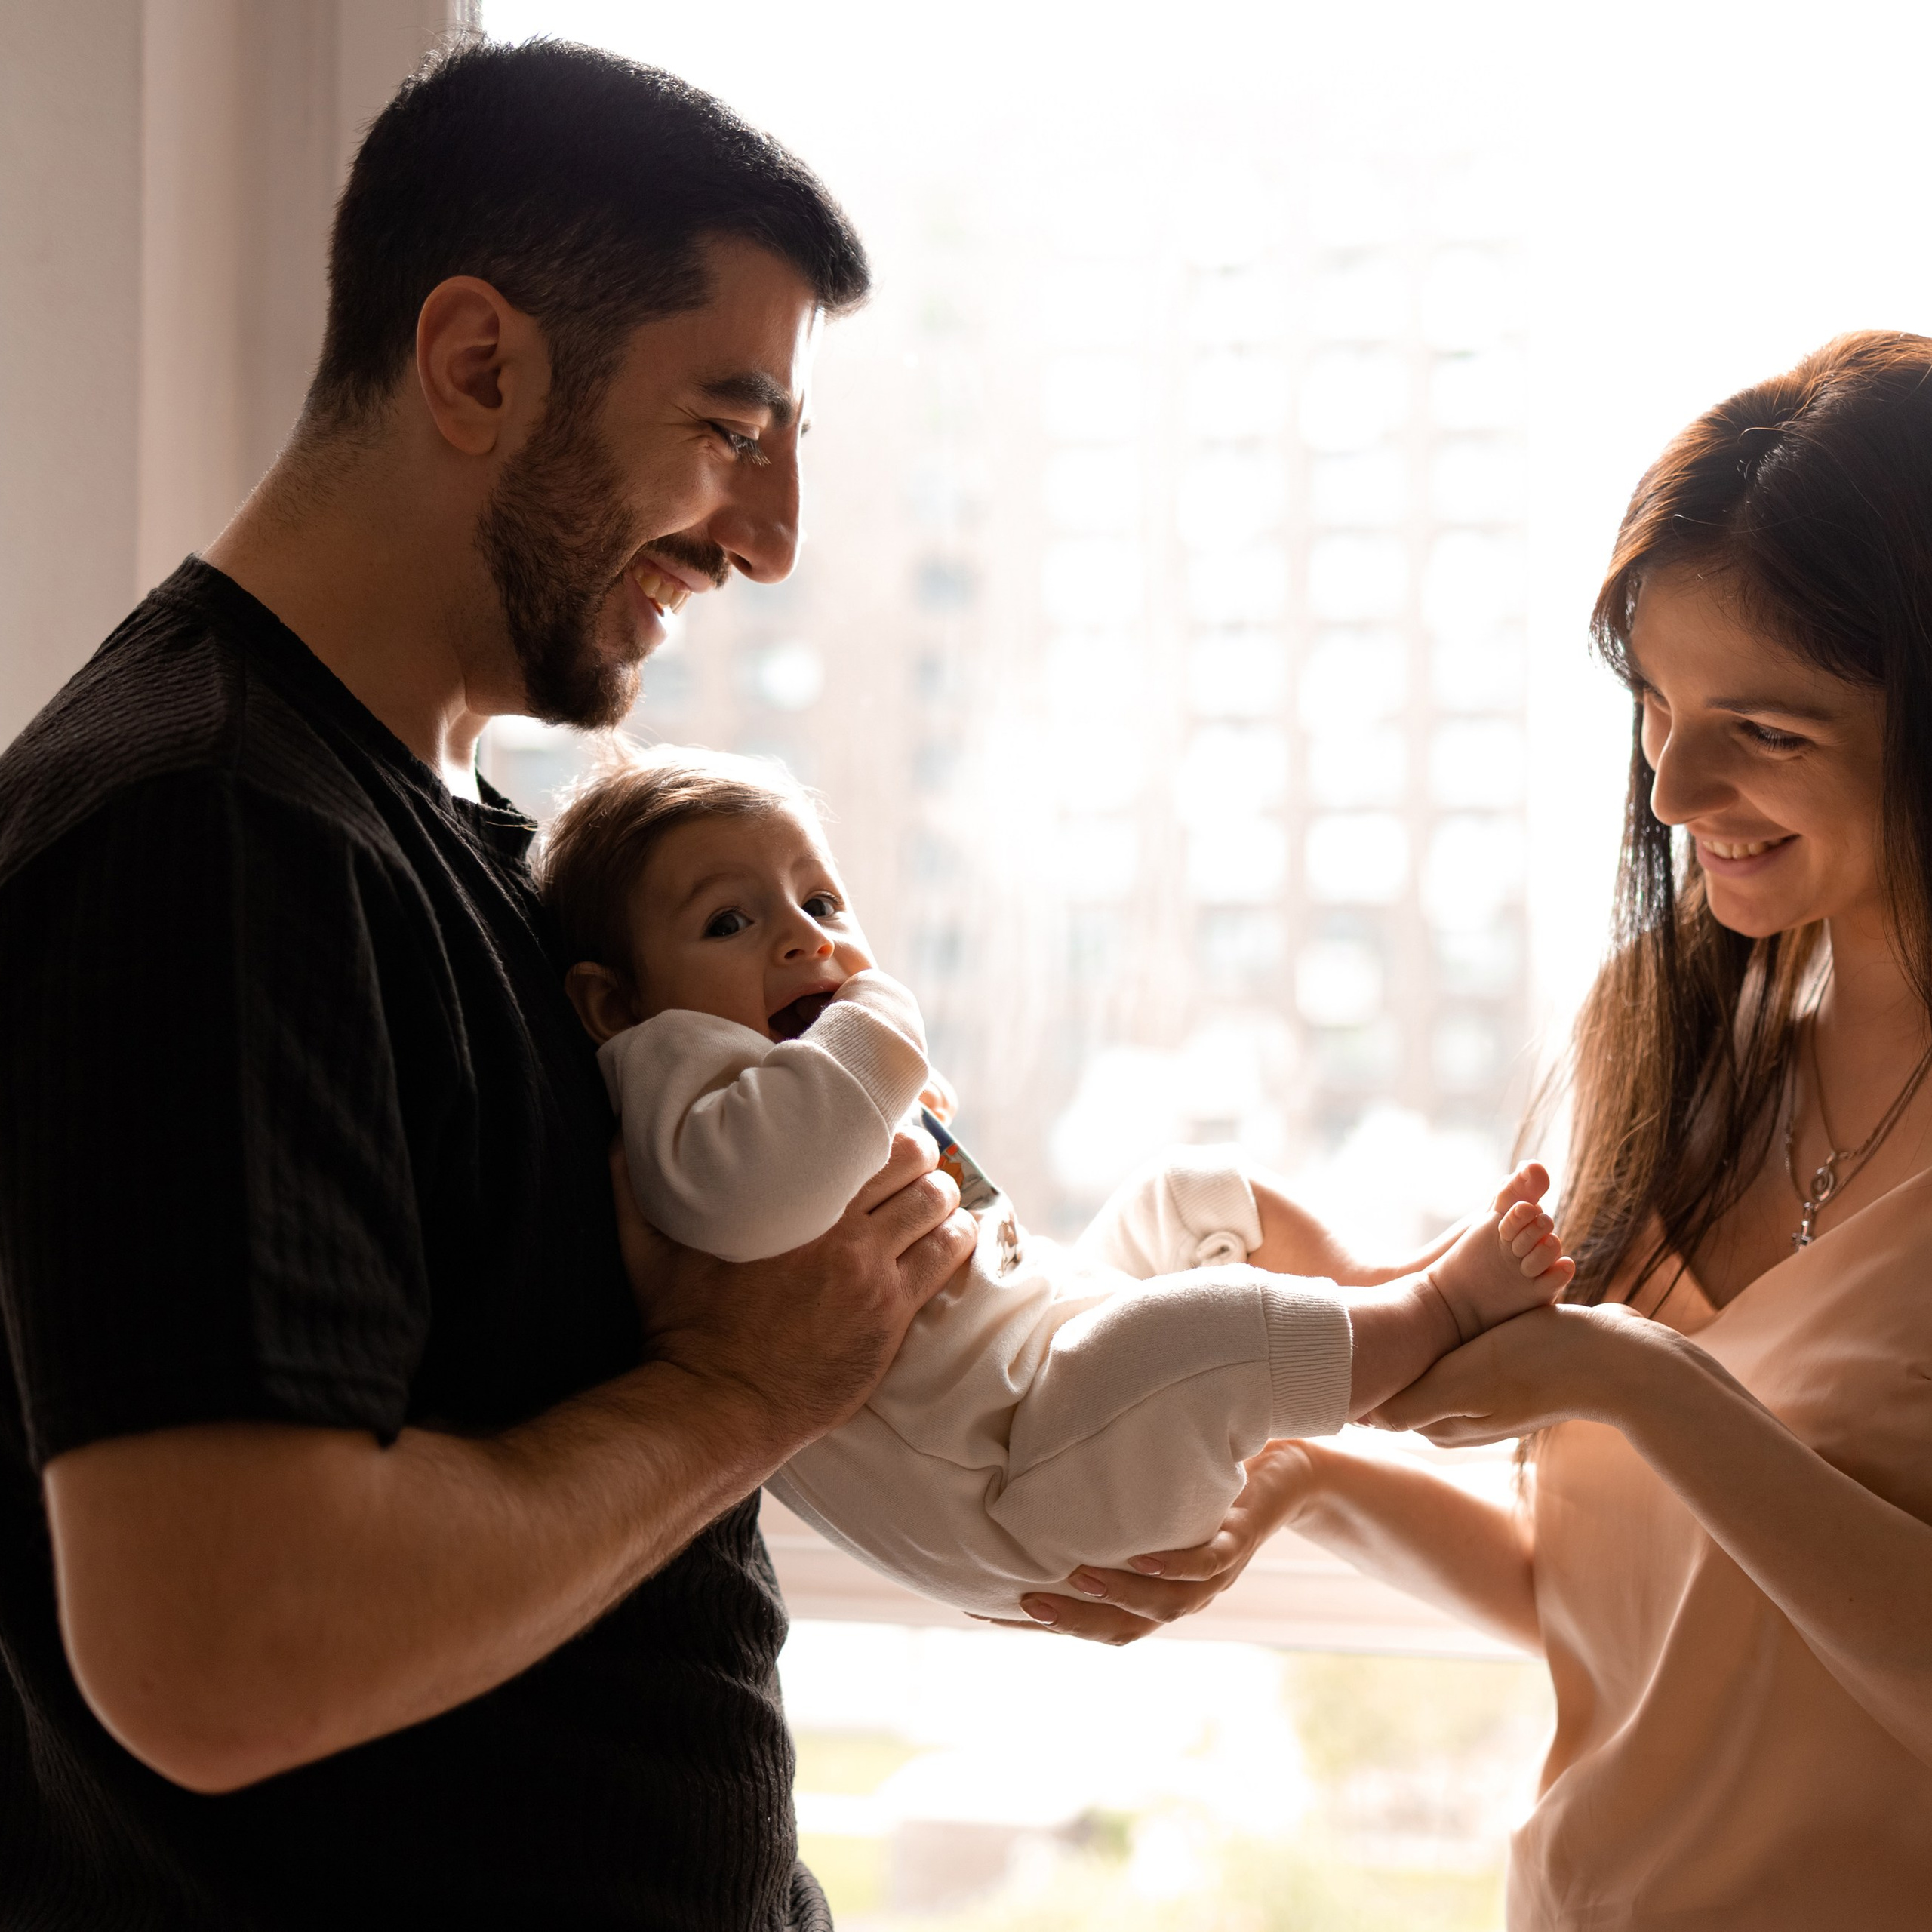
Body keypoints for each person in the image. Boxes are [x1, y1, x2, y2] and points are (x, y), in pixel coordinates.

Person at [0, 40, 982, 1932]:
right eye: (727, 425)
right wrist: (737, 1390)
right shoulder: (200, 834)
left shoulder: (465, 838)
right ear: (476, 366)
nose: (768, 540)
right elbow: (219, 1651)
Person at [1026, 331, 1932, 1928]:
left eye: (1763, 729)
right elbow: (1587, 1589)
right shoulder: (1680, 1053)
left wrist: (1630, 1374)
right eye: (1655, 704)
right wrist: (1305, 1471)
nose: (1668, 788)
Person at [538, 743, 1574, 1615]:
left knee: (1189, 1191)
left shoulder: (780, 1071)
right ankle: (1429, 1315)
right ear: (611, 1005)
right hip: (1011, 1474)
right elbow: (770, 1184)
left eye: (818, 900)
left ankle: (1368, 1303)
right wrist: (880, 1020)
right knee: (1208, 1330)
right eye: (730, 922)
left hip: (1039, 1363)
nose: (806, 938)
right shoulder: (672, 1083)